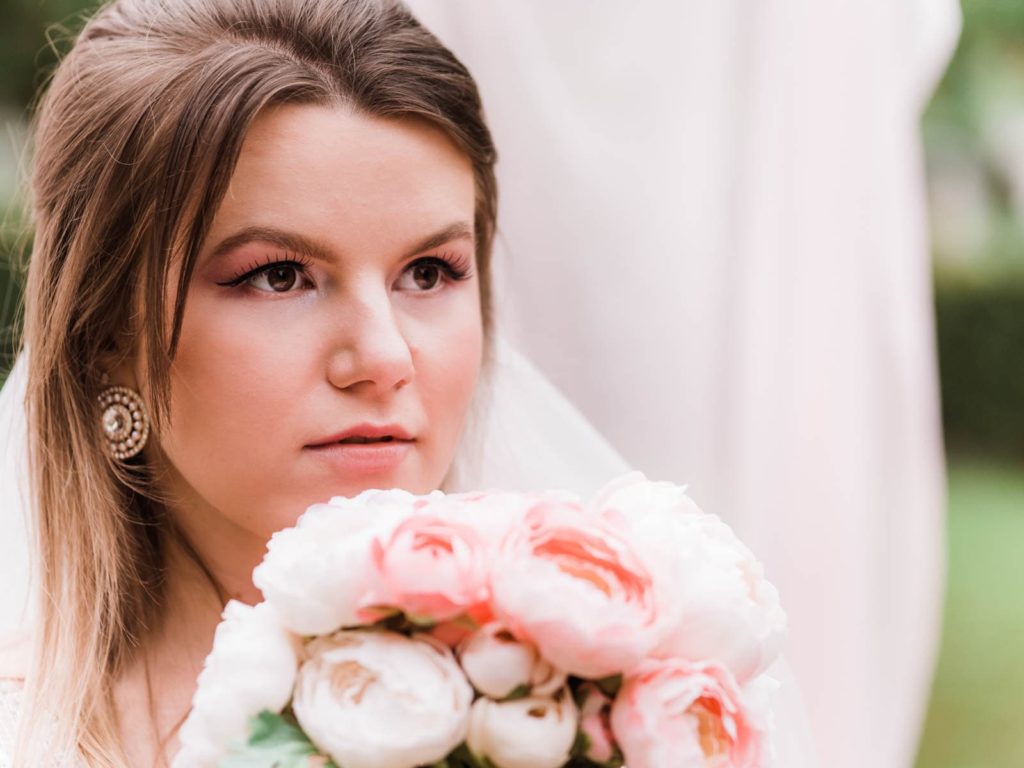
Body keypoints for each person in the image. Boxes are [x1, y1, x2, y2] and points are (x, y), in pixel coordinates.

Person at [0, 0, 817, 765]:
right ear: (108, 335)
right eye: (279, 276)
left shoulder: (606, 702)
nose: (386, 357)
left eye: (429, 272)